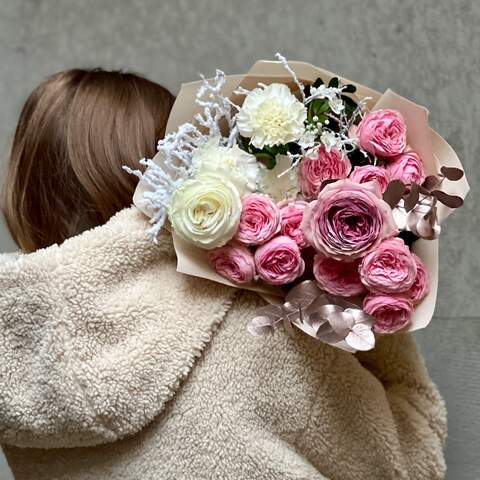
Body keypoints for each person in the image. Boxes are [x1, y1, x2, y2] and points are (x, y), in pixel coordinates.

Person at [0, 69, 446, 480]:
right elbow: (414, 456)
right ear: (172, 166)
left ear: (20, 188)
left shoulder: (18, 348)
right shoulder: (257, 333)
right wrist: (371, 286)